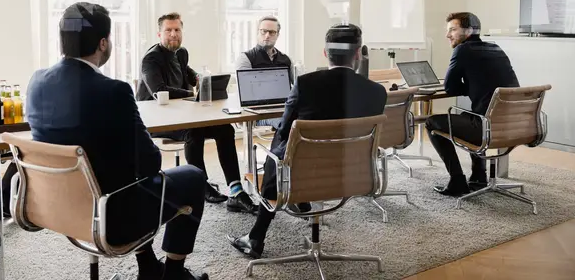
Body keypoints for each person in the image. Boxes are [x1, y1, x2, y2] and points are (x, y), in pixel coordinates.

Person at [25, 2, 208, 280]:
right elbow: (151, 162)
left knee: (124, 176)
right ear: (102, 43)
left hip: (58, 208)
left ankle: (148, 267)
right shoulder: (114, 91)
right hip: (111, 216)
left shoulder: (36, 82)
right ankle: (173, 275)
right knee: (192, 177)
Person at [228, 23, 388, 258]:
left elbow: (283, 130)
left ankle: (256, 238)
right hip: (353, 175)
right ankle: (297, 204)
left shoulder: (306, 84)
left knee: (278, 148)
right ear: (357, 53)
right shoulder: (377, 92)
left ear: (325, 52)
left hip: (304, 175)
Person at [136, 13, 257, 214]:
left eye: (177, 30)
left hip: (183, 115)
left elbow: (191, 76)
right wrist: (193, 93)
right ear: (159, 33)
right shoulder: (150, 59)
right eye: (168, 30)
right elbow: (159, 91)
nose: (173, 34)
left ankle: (235, 191)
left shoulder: (181, 53)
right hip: (158, 120)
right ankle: (200, 185)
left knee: (225, 129)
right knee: (195, 131)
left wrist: (203, 79)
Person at [426, 12, 519, 197]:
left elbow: (450, 88)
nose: (447, 35)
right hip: (514, 126)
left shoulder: (463, 50)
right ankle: (478, 177)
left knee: (431, 122)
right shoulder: (495, 48)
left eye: (452, 29)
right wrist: (474, 85)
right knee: (466, 117)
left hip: (486, 128)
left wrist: (467, 85)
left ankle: (457, 181)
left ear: (468, 31)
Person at [235, 16, 292, 129]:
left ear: (277, 35)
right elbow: (245, 91)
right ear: (258, 32)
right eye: (263, 31)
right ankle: (281, 147)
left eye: (272, 32)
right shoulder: (246, 58)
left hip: (283, 106)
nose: (267, 35)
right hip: (256, 112)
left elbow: (296, 87)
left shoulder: (286, 59)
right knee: (285, 123)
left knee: (304, 118)